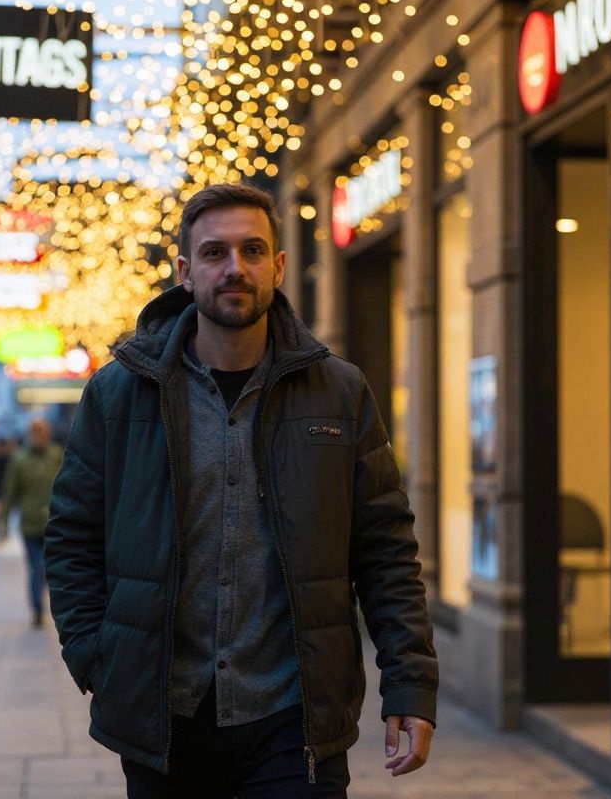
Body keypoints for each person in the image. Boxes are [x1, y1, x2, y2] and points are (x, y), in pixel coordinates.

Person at [45, 182, 439, 797]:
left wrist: (409, 683)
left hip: (293, 712)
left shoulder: (338, 392)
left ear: (278, 267)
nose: (235, 268)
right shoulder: (120, 394)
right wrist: (97, 657)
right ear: (184, 272)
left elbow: (385, 549)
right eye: (214, 253)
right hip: (164, 714)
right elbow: (71, 535)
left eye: (253, 251)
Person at [0, 419, 62, 627]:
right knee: (37, 566)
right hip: (30, 525)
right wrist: (3, 523)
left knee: (51, 568)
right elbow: (9, 492)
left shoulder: (57, 455)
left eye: (42, 432)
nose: (39, 437)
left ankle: (49, 604)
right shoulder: (19, 459)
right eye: (35, 433)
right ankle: (37, 607)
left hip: (55, 524)